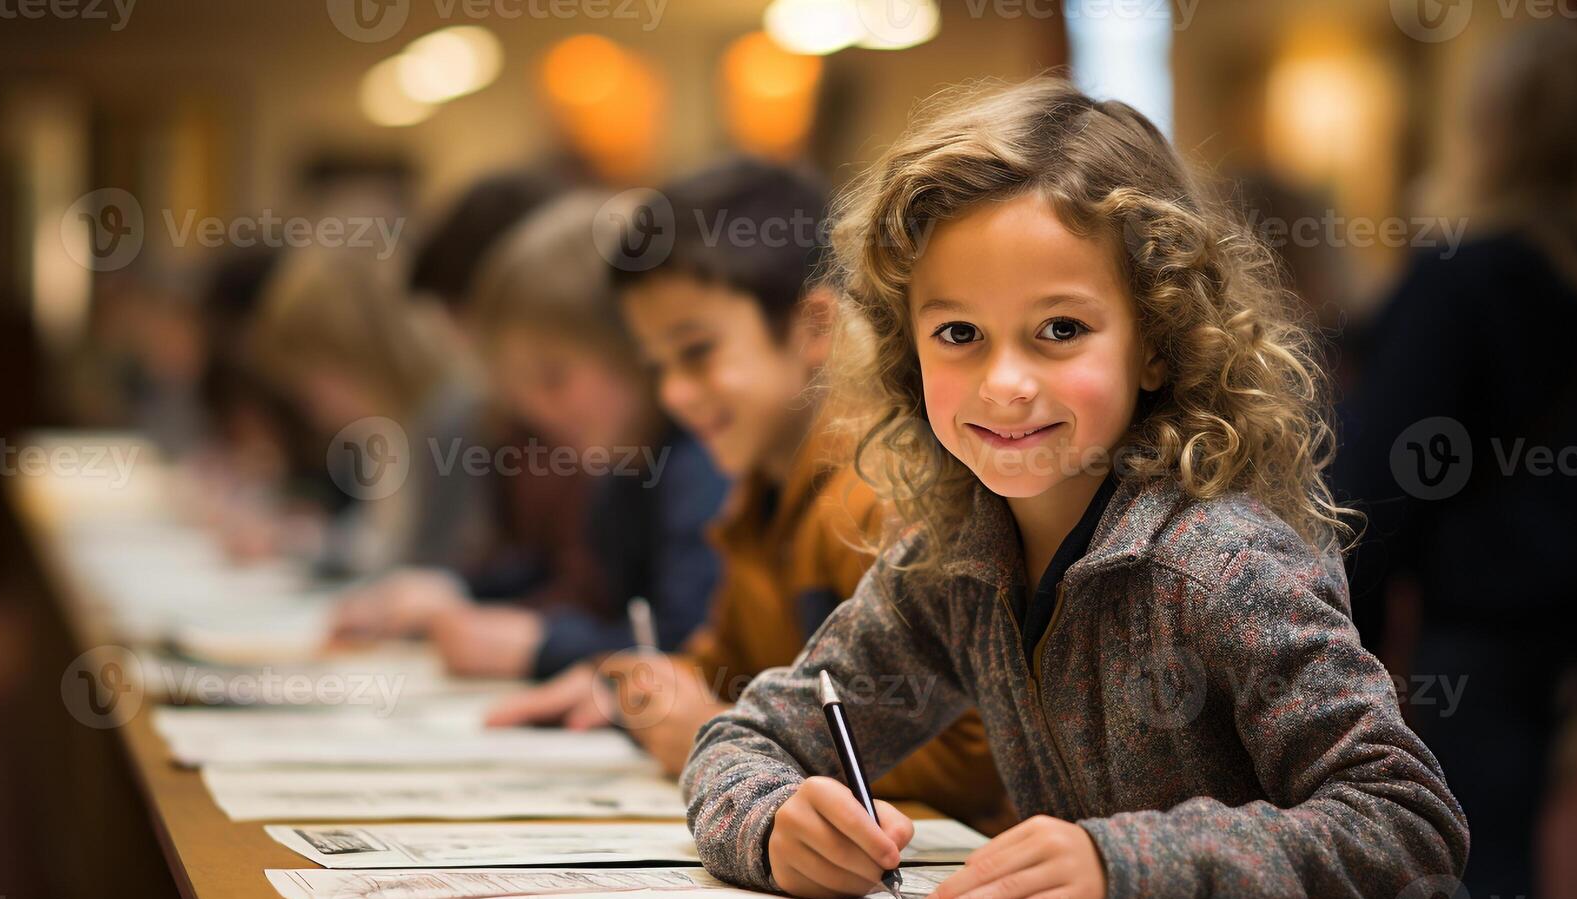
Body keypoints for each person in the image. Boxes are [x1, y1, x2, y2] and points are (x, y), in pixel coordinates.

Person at [679, 78, 1469, 899]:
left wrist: (1119, 860)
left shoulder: (1221, 564)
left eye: (1059, 328)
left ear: (1158, 340)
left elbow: (1406, 825)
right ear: (907, 349)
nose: (1004, 382)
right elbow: (745, 737)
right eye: (958, 334)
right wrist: (773, 823)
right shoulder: (951, 566)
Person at [485, 159, 1010, 832]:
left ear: (813, 328)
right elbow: (727, 665)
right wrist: (622, 682)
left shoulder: (873, 497)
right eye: (657, 366)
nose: (673, 393)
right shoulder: (757, 493)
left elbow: (974, 758)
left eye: (697, 352)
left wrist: (716, 731)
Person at [1331, 24, 1577, 899]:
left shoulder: (1465, 275)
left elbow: (1389, 473)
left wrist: (1338, 627)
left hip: (1492, 622)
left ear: (1497, 130)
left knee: (1480, 880)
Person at [338, 191, 728, 678]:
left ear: (636, 349)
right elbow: (578, 585)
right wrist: (459, 593)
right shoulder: (624, 470)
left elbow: (686, 642)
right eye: (522, 390)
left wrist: (540, 649)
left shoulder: (700, 463)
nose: (541, 412)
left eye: (554, 377)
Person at [246, 242, 491, 576]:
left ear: (366, 351)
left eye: (318, 376)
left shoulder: (452, 420)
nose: (314, 404)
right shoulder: (382, 429)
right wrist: (298, 541)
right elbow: (378, 542)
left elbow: (431, 563)